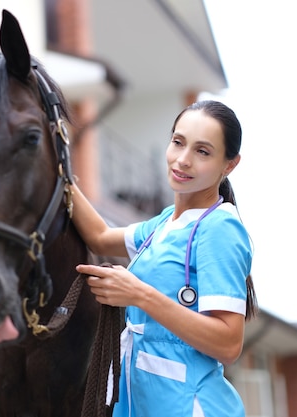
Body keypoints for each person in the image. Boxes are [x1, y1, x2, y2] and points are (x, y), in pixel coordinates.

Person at [72, 100, 257, 416]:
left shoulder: (219, 228)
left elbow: (228, 345)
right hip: (141, 401)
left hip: (189, 406)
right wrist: (61, 174)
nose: (182, 160)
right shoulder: (164, 222)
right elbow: (100, 237)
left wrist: (139, 295)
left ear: (229, 165)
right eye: (178, 142)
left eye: (202, 151)